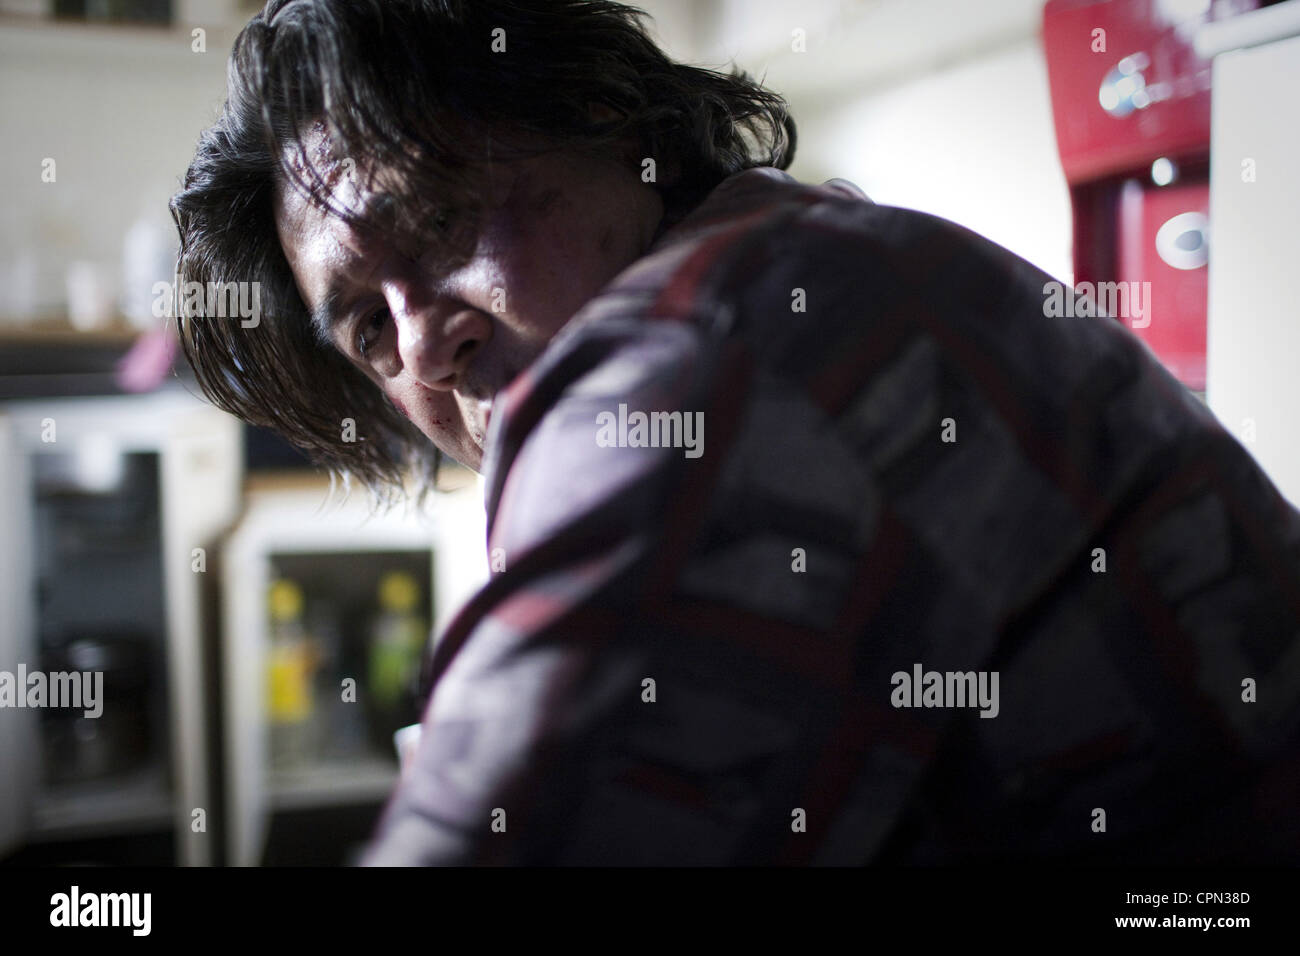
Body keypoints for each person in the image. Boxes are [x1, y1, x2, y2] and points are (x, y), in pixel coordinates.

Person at [171, 0, 1300, 865]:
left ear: (603, 116)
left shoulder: (696, 359)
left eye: (439, 216)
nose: (421, 347)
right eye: (368, 326)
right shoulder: (807, 250)